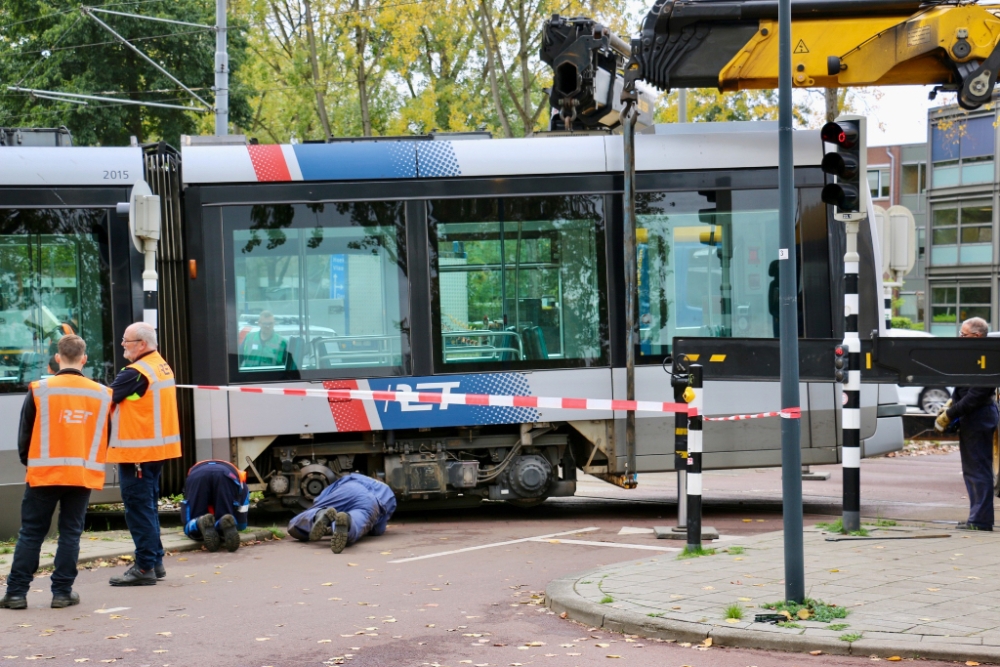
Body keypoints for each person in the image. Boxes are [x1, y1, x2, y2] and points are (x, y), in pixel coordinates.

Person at [2, 335, 112, 610]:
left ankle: (16, 594)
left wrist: (30, 462)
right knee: (70, 533)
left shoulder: (40, 389)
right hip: (81, 475)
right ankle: (62, 593)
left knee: (31, 533)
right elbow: (105, 435)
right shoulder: (101, 393)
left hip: (44, 474)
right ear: (84, 359)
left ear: (57, 358)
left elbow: (25, 433)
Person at [106, 322, 181, 586]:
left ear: (141, 344)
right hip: (154, 450)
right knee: (147, 506)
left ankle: (145, 566)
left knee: (139, 509)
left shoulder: (135, 372)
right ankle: (155, 561)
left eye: (126, 341)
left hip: (137, 453)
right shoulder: (160, 365)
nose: (122, 345)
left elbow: (105, 399)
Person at [936, 316, 999, 531]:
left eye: (963, 335)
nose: (960, 338)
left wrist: (950, 413)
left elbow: (975, 396)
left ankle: (980, 521)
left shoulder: (985, 358)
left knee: (977, 469)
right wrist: (951, 404)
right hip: (977, 416)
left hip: (978, 417)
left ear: (977, 336)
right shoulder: (977, 355)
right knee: (974, 469)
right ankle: (977, 517)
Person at [288, 473, 396, 554]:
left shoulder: (355, 476)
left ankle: (319, 514)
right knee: (358, 520)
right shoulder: (388, 492)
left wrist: (319, 507)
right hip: (371, 502)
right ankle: (348, 522)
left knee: (298, 522)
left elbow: (320, 499)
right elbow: (378, 530)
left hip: (348, 488)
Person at [181, 460, 250, 553]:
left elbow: (187, 505)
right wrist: (239, 525)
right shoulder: (240, 478)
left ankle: (198, 522)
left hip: (197, 476)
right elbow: (243, 506)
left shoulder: (194, 472)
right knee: (226, 517)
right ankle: (222, 522)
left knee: (190, 524)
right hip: (227, 475)